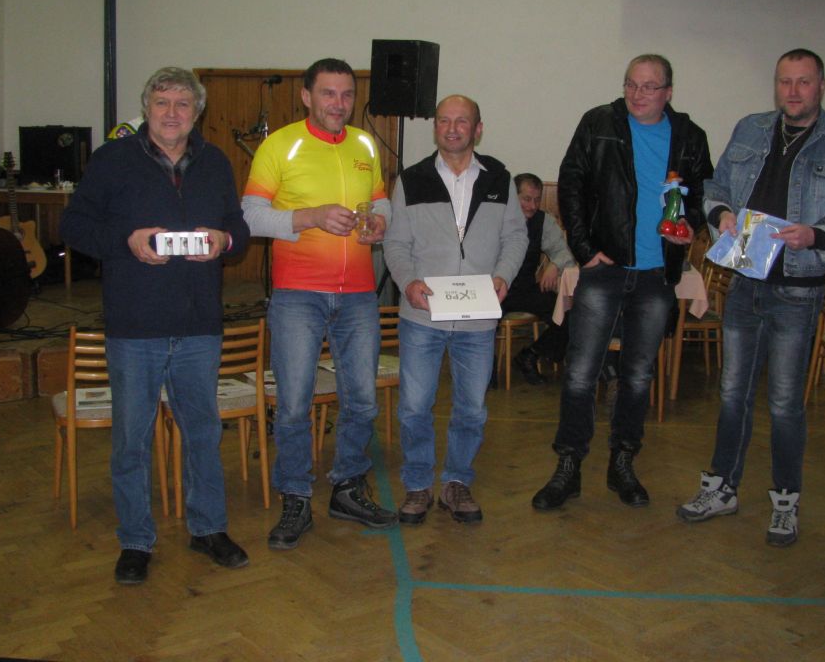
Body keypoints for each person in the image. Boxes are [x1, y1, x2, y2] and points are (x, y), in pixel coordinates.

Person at [676, 48, 825, 547]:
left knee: (785, 403)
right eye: (785, 81)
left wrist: (817, 234)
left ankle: (785, 502)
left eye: (803, 82)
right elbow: (715, 186)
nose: (793, 91)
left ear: (821, 86)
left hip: (799, 290)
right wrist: (721, 213)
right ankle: (722, 487)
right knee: (731, 393)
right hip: (746, 281)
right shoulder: (750, 129)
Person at [61, 67, 251, 585]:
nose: (172, 113)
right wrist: (126, 241)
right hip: (134, 326)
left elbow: (237, 226)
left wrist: (225, 241)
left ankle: (208, 528)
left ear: (198, 111)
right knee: (131, 441)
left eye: (183, 104)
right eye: (162, 102)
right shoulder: (112, 159)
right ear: (146, 108)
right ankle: (135, 540)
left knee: (203, 433)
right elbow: (73, 224)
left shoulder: (215, 162)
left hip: (199, 325)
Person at [532, 54, 712, 511]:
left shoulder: (690, 135)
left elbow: (700, 196)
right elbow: (570, 184)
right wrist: (584, 248)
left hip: (657, 275)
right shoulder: (598, 123)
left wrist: (690, 224)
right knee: (579, 373)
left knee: (637, 376)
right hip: (604, 270)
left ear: (668, 92)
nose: (637, 94)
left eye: (649, 87)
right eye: (631, 84)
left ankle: (623, 463)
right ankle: (568, 466)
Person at [242, 58, 397, 550]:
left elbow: (381, 201)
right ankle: (295, 497)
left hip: (358, 296)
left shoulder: (366, 144)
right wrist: (309, 217)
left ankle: (348, 488)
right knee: (293, 404)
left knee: (363, 400)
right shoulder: (279, 144)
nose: (339, 103)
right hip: (298, 295)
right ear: (307, 96)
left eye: (347, 94)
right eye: (328, 93)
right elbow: (249, 217)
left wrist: (381, 222)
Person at [383, 95, 528, 525]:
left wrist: (503, 275)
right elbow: (395, 243)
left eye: (461, 121)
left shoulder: (499, 178)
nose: (451, 128)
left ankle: (457, 482)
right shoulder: (411, 179)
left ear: (477, 129)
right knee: (414, 406)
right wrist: (408, 282)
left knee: (472, 409)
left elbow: (516, 237)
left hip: (478, 318)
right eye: (444, 120)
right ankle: (417, 484)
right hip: (422, 315)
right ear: (435, 128)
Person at [500, 173, 576, 386]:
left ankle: (530, 355)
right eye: (526, 199)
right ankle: (485, 367)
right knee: (482, 319)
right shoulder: (496, 218)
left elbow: (565, 252)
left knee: (570, 315)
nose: (532, 206)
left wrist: (554, 264)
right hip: (496, 289)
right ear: (513, 197)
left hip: (525, 289)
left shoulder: (544, 221)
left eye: (536, 200)